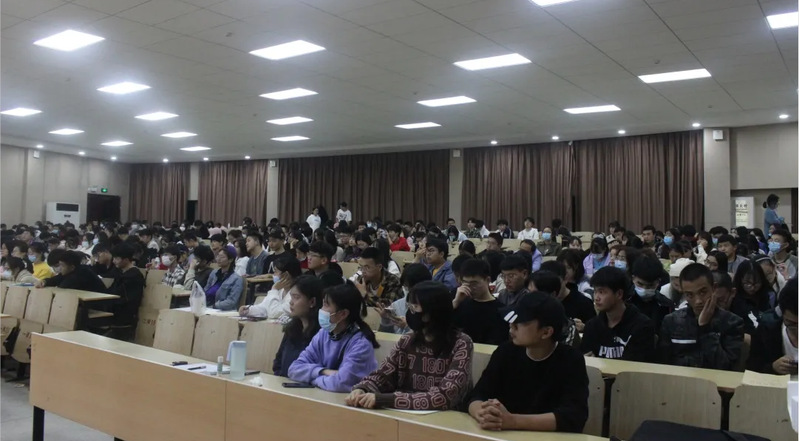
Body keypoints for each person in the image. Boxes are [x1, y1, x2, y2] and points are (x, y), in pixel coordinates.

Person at [465, 291, 588, 433]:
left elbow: (573, 416)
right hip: (503, 434)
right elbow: (477, 395)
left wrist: (513, 421)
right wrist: (482, 414)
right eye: (512, 320)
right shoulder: (505, 352)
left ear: (546, 332)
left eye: (521, 322)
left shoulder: (571, 360)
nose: (512, 326)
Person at [347, 281, 474, 410]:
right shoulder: (407, 340)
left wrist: (386, 400)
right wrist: (363, 388)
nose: (410, 312)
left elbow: (445, 395)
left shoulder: (461, 344)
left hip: (446, 417)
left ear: (432, 312)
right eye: (409, 306)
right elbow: (383, 375)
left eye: (414, 307)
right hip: (404, 414)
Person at [288, 283, 379, 392]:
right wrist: (323, 371)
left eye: (326, 305)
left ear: (343, 314)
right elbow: (294, 369)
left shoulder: (361, 344)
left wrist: (311, 379)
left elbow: (340, 383)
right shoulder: (323, 334)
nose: (321, 309)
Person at [659, 263, 744, 370]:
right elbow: (663, 364)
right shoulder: (671, 321)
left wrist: (705, 329)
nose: (698, 301)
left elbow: (726, 367)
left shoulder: (732, 322)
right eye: (690, 295)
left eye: (703, 292)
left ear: (713, 288)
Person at [581, 267, 655, 361]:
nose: (596, 297)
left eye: (601, 292)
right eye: (595, 291)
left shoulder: (642, 326)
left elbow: (637, 363)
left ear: (619, 294)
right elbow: (585, 357)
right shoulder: (592, 326)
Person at [272, 276, 325, 376]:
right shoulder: (291, 328)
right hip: (283, 382)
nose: (291, 302)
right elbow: (278, 362)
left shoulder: (322, 333)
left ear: (312, 302)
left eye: (296, 297)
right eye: (291, 297)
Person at [451, 259, 508, 345]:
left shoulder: (500, 310)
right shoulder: (460, 303)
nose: (470, 288)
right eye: (465, 283)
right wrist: (455, 302)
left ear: (488, 280)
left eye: (474, 284)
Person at [747, 278, 797, 375]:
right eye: (792, 324)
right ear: (781, 313)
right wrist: (772, 368)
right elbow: (752, 368)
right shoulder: (767, 329)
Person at [375, 263, 431, 334]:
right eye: (406, 286)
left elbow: (432, 336)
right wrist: (385, 320)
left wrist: (407, 326)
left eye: (411, 287)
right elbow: (385, 336)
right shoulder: (396, 305)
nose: (409, 291)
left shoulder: (433, 306)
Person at [241, 255, 301, 320]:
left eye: (275, 272)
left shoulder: (296, 295)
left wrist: (274, 289)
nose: (273, 275)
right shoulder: (281, 290)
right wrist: (249, 310)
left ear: (286, 275)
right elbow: (265, 307)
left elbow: (274, 313)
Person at [106, 243, 146, 341]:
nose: (114, 261)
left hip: (125, 317)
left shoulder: (134, 275)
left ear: (126, 260)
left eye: (117, 258)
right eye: (113, 258)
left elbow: (125, 298)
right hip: (114, 310)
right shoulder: (120, 272)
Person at [540, 260, 596, 326]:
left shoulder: (584, 303)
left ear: (565, 279)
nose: (552, 289)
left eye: (555, 284)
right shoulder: (540, 302)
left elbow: (595, 329)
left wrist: (584, 328)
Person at [628, 256, 674, 334]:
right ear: (633, 278)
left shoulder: (666, 306)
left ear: (658, 282)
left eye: (650, 286)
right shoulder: (623, 301)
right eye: (640, 284)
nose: (644, 289)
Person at [730, 260, 776, 334]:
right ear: (740, 280)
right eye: (747, 283)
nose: (752, 287)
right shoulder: (734, 299)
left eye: (757, 283)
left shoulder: (766, 295)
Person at [37, 250, 107, 292]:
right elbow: (56, 279)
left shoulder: (83, 272)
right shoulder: (68, 271)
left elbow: (64, 286)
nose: (60, 268)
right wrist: (44, 281)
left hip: (99, 305)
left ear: (72, 267)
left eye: (62, 266)